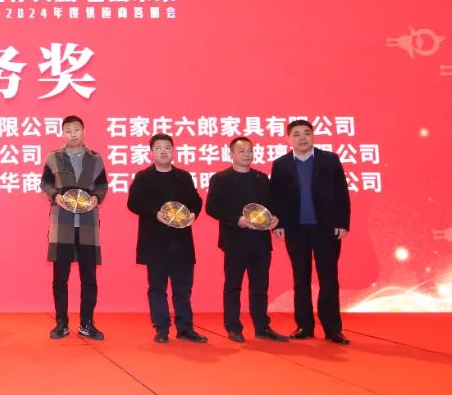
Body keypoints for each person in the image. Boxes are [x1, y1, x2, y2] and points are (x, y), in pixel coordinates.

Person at [270, 119, 352, 345]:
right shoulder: (281, 164)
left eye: (306, 133)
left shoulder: (330, 160)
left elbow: (342, 193)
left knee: (328, 277)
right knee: (301, 278)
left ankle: (333, 329)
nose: (302, 138)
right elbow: (276, 198)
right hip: (296, 229)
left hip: (326, 228)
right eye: (296, 134)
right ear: (289, 139)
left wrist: (342, 222)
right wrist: (278, 224)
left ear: (313, 135)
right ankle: (304, 326)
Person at [126, 133, 207, 344]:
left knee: (183, 288)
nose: (164, 151)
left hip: (182, 241)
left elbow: (196, 201)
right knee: (157, 287)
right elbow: (133, 203)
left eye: (168, 148)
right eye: (159, 148)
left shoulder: (183, 176)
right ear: (152, 152)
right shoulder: (144, 177)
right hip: (155, 241)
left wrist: (192, 213)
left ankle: (185, 328)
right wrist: (155, 213)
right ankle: (161, 328)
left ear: (173, 151)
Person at [206, 137, 289, 343]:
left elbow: (272, 205)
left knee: (260, 286)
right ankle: (233, 327)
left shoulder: (261, 178)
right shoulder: (221, 178)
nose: (247, 154)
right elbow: (212, 208)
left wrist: (276, 219)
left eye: (250, 150)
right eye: (242, 151)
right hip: (235, 241)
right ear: (231, 154)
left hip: (260, 241)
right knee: (233, 286)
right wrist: (237, 220)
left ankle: (262, 327)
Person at [39, 115, 107, 340]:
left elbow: (102, 185)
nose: (73, 134)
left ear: (84, 131)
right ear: (62, 133)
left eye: (77, 130)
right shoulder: (53, 157)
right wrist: (55, 195)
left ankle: (87, 323)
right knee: (60, 278)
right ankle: (61, 323)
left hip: (88, 224)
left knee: (89, 278)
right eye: (68, 131)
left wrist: (97, 197)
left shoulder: (95, 159)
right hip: (62, 223)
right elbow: (45, 183)